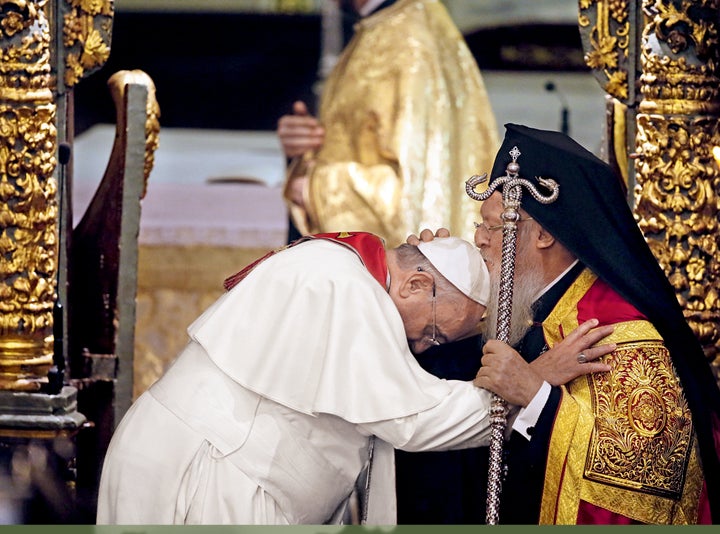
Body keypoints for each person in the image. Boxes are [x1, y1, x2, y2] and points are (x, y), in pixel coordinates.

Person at [95, 231, 611, 525]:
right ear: (414, 283)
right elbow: (415, 423)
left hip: (219, 466)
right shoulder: (342, 285)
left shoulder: (350, 273)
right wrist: (530, 382)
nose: (420, 348)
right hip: (207, 472)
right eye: (433, 333)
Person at [411, 123, 720, 524]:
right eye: (481, 225)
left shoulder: (615, 330)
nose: (481, 240)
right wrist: (426, 301)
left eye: (495, 226)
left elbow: (648, 476)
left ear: (542, 235)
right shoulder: (535, 306)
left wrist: (535, 393)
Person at [276, 0, 499, 247]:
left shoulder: (408, 39)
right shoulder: (388, 25)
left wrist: (314, 188)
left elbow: (415, 195)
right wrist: (306, 147)